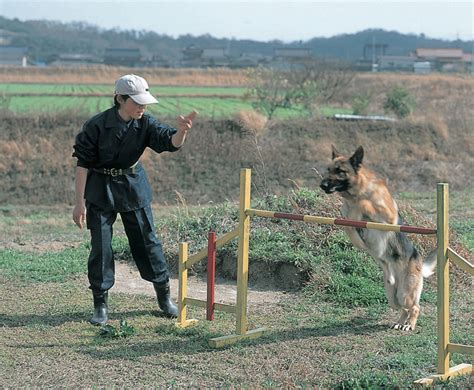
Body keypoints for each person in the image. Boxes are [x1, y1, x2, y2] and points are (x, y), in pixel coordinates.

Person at [72, 74, 197, 325]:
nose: (142, 107)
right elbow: (82, 165)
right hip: (100, 188)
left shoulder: (146, 124)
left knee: (147, 241)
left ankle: (164, 298)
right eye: (137, 102)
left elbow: (169, 141)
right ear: (120, 98)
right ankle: (101, 305)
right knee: (102, 246)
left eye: (145, 102)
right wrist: (79, 203)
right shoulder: (96, 125)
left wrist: (181, 132)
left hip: (132, 187)